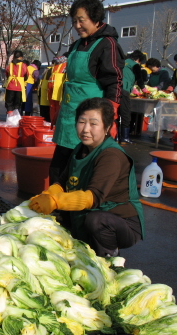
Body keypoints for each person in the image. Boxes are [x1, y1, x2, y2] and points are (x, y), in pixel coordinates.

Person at [29, 97, 144, 257]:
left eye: (93, 123)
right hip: (91, 213)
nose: (85, 129)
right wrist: (47, 195)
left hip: (120, 222)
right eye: (82, 122)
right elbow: (63, 182)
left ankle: (109, 255)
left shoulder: (111, 156)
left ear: (107, 127)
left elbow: (93, 197)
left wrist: (55, 201)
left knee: (95, 221)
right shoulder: (80, 148)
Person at [50, 0, 125, 184]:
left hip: (90, 121)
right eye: (74, 21)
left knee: (81, 172)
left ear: (95, 18)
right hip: (69, 117)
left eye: (81, 20)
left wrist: (109, 117)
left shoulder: (107, 44)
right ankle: (55, 208)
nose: (77, 26)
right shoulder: (76, 45)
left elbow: (114, 83)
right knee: (58, 170)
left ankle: (75, 210)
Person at [120, 50, 147, 144]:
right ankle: (125, 137)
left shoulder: (123, 62)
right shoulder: (135, 65)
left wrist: (133, 89)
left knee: (115, 113)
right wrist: (144, 90)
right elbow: (139, 79)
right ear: (138, 59)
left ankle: (114, 136)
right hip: (124, 91)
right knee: (126, 114)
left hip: (114, 89)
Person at [4, 50, 28, 115]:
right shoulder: (24, 65)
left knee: (9, 103)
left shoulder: (9, 65)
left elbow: (6, 74)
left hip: (10, 86)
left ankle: (10, 117)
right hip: (19, 87)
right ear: (20, 57)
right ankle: (16, 118)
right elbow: (26, 75)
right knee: (17, 104)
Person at [48, 56, 67, 126]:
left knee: (53, 107)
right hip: (59, 90)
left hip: (51, 90)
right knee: (58, 108)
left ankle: (53, 124)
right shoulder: (66, 66)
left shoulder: (54, 67)